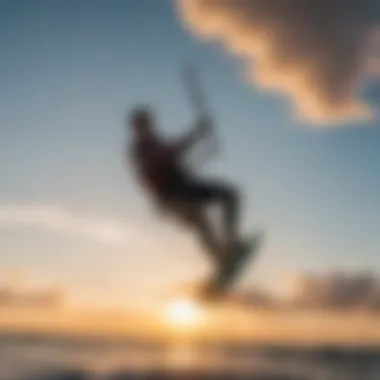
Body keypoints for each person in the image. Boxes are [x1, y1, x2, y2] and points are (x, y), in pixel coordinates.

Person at [126, 105, 244, 272]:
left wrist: (198, 132)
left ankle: (225, 254)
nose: (147, 127)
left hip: (179, 193)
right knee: (205, 217)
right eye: (142, 124)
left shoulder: (155, 143)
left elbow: (175, 149)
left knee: (223, 202)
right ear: (136, 128)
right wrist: (196, 134)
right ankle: (225, 255)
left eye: (147, 123)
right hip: (171, 198)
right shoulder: (139, 150)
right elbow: (164, 155)